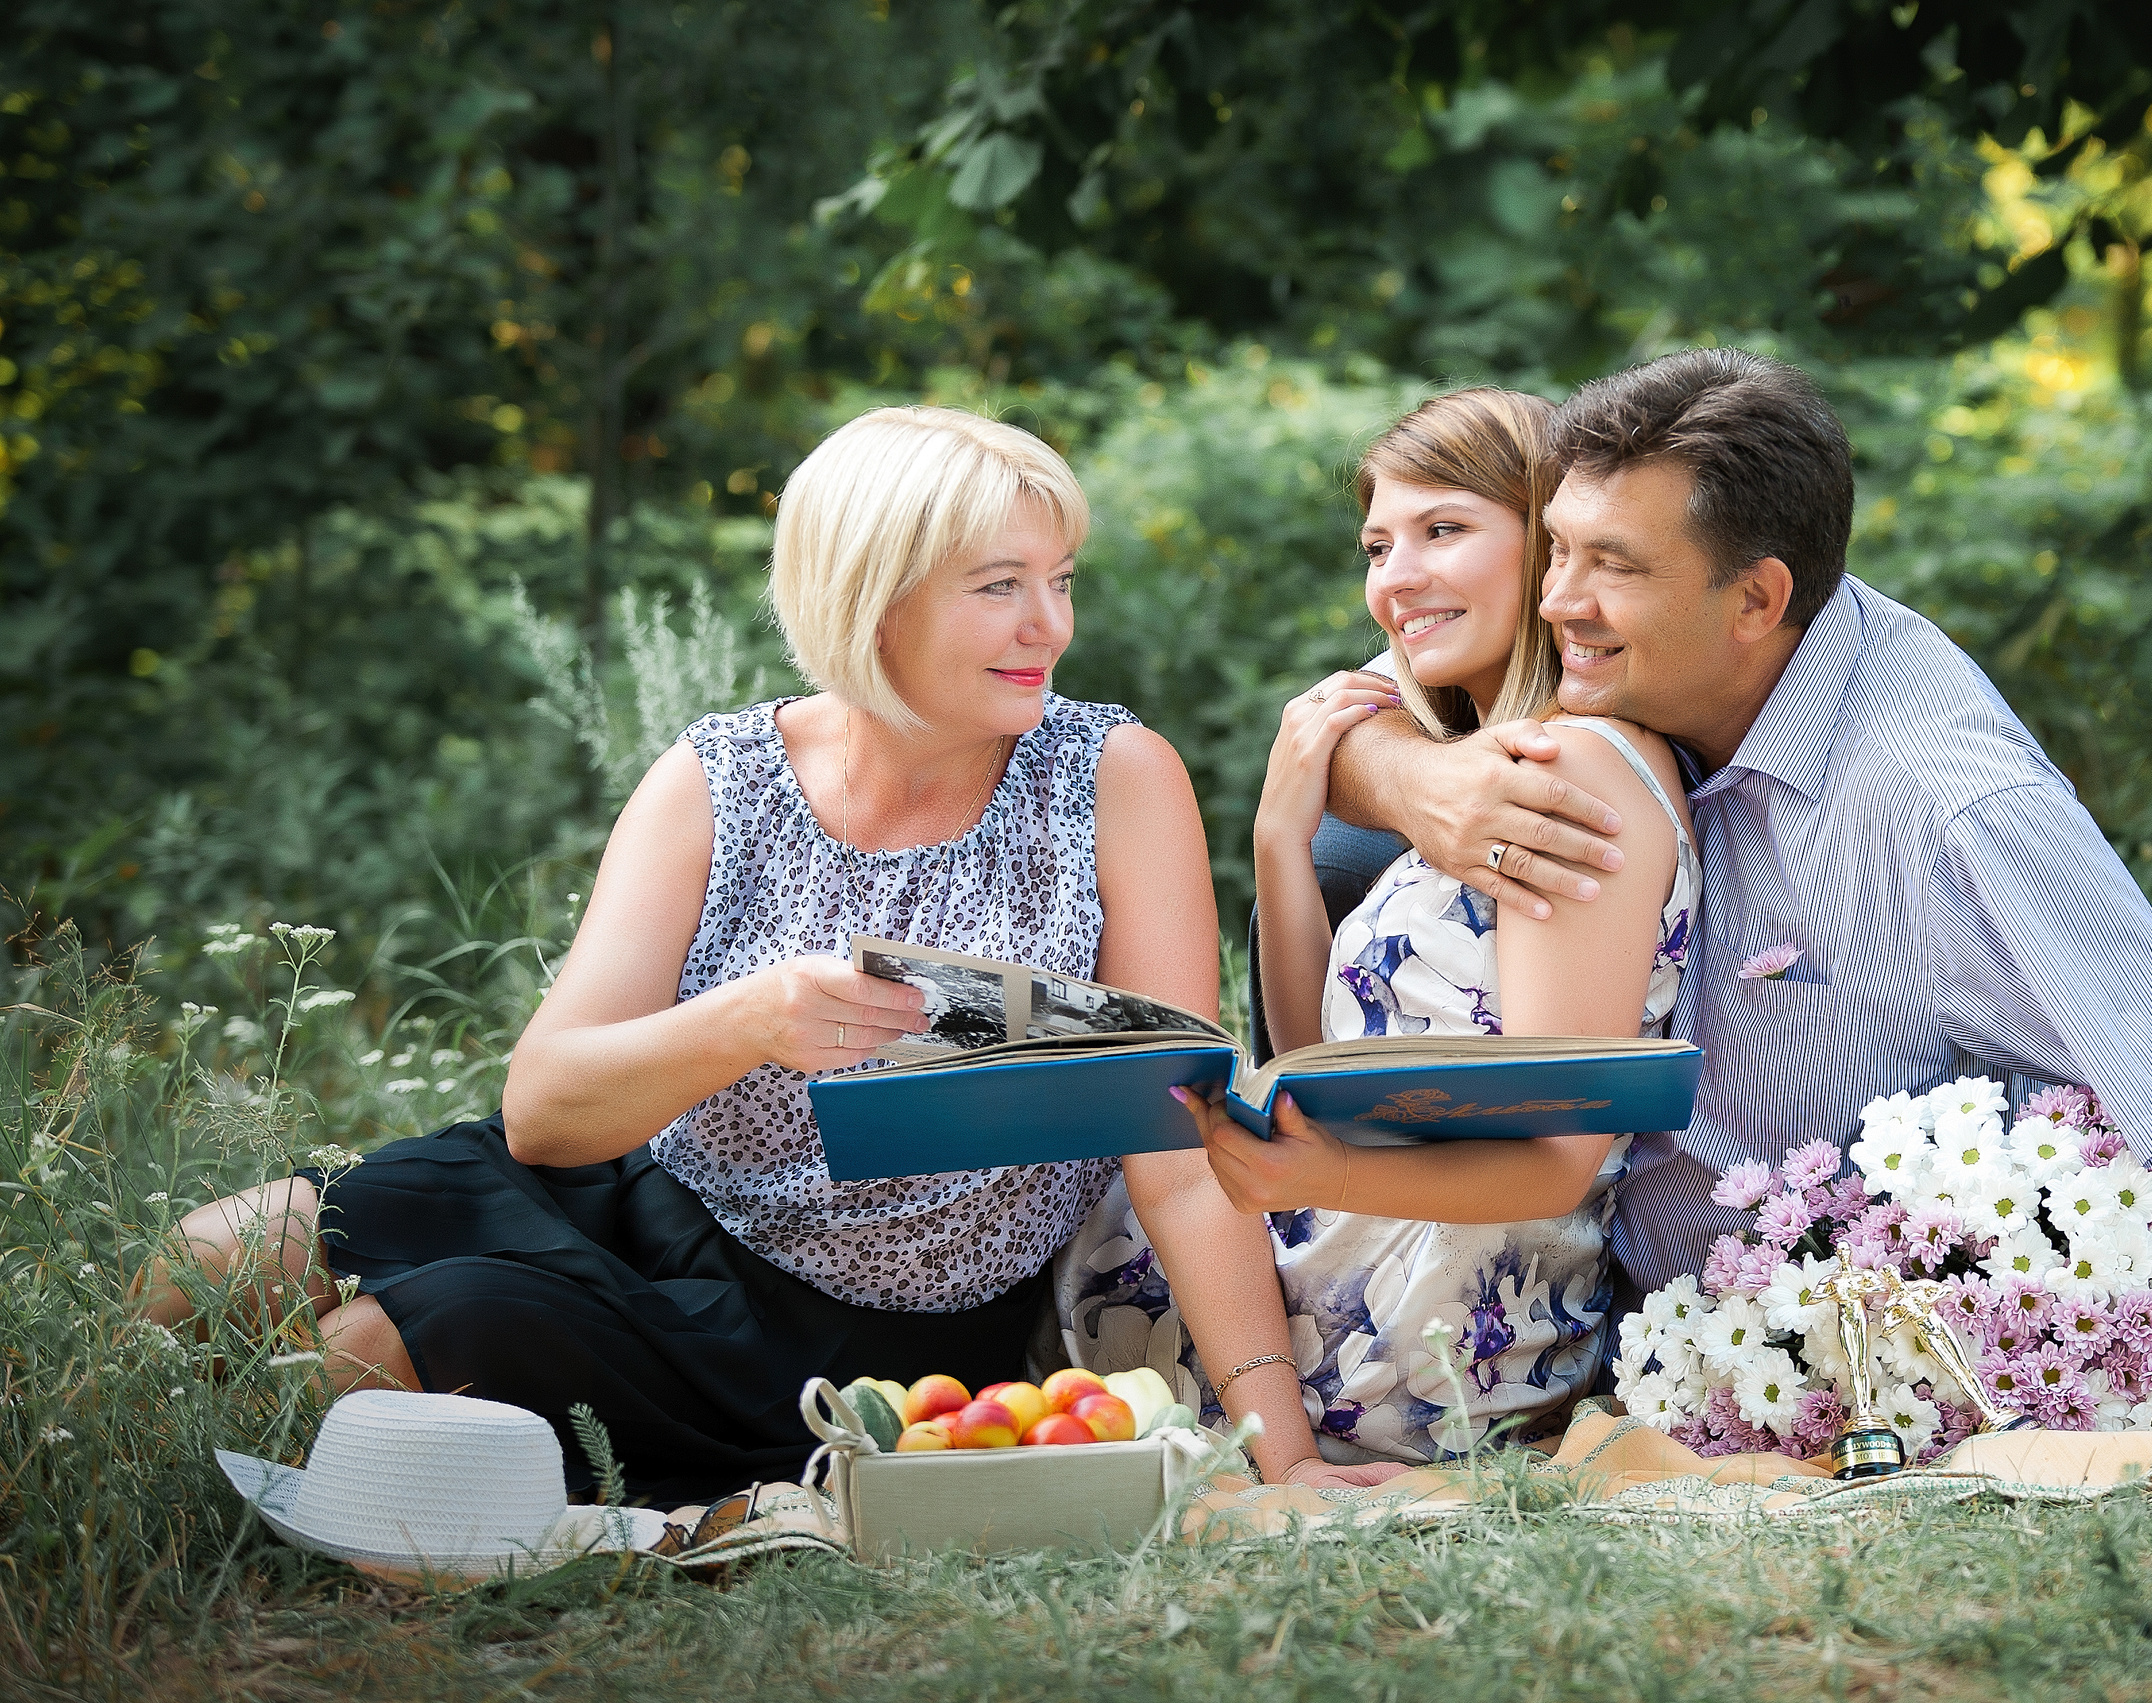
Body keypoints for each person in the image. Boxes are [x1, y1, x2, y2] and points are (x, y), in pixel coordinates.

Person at [140, 407, 1368, 1501]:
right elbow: (545, 1112)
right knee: (210, 1257)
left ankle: (257, 1511)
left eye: (1059, 578)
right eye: (1000, 585)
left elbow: (1174, 1139)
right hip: (644, 1199)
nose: (1048, 624)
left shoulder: (1112, 775)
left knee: (381, 1341)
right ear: (871, 590)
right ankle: (97, 1500)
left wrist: (1285, 1446)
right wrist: (746, 1020)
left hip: (849, 1324)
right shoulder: (718, 773)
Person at [1314, 348, 2152, 1468]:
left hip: (1862, 1320)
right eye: (1558, 545)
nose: (1556, 597)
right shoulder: (1675, 655)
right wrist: (1407, 779)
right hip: (1615, 1311)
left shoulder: (1947, 801)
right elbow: (1344, 709)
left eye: (1607, 563)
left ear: (1757, 595)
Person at [1070, 389, 1701, 1466]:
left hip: (1434, 1334)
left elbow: (1558, 1156)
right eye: (1376, 544)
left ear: (1550, 545)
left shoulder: (1570, 774)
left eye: (1442, 529)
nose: (1394, 577)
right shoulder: (1489, 767)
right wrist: (1279, 834)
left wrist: (1309, 1179)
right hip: (1378, 1270)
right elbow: (1311, 1063)